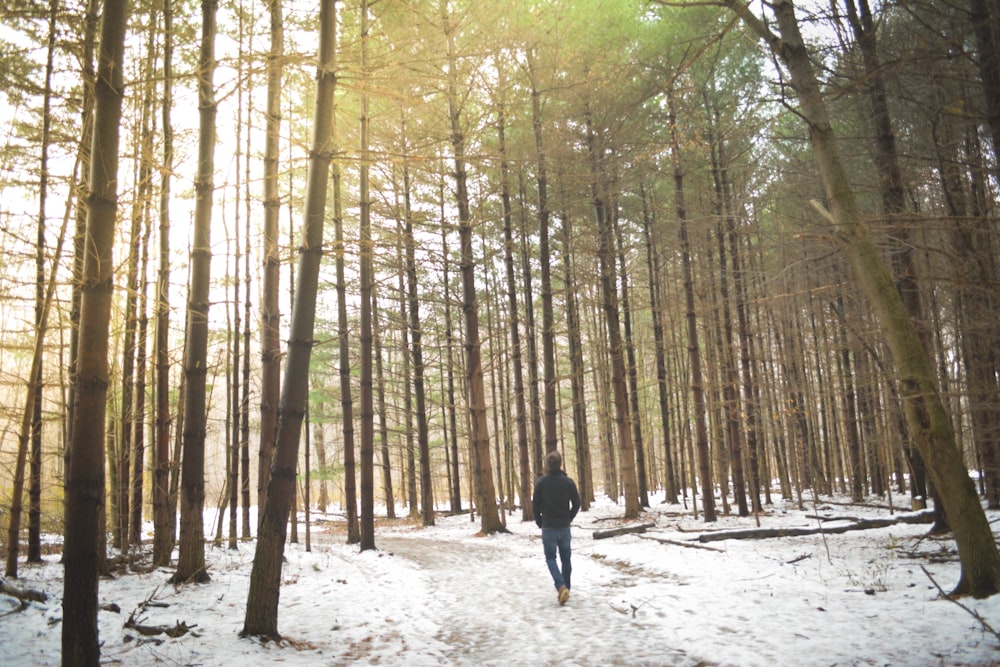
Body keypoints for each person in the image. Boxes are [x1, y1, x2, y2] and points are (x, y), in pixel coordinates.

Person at [532, 450, 581, 606]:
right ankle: (566, 588)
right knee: (566, 558)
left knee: (551, 558)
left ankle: (561, 587)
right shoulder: (568, 482)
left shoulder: (541, 483)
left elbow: (535, 505)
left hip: (549, 527)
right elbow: (577, 503)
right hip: (564, 527)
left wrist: (539, 521)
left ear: (547, 465)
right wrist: (569, 517)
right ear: (560, 464)